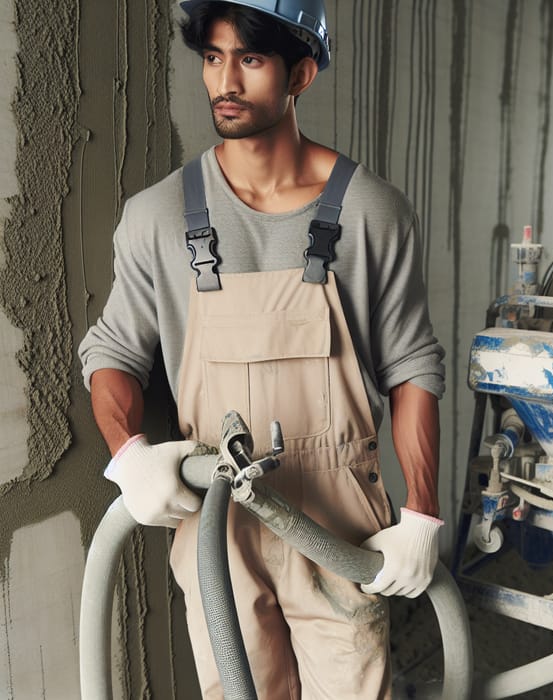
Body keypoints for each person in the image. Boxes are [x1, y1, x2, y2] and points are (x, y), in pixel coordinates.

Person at [79, 1, 445, 697]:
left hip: (340, 522)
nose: (225, 82)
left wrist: (422, 511)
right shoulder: (157, 216)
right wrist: (127, 454)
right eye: (213, 58)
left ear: (300, 72)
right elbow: (113, 352)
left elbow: (412, 366)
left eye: (249, 59)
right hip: (219, 519)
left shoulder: (373, 212)